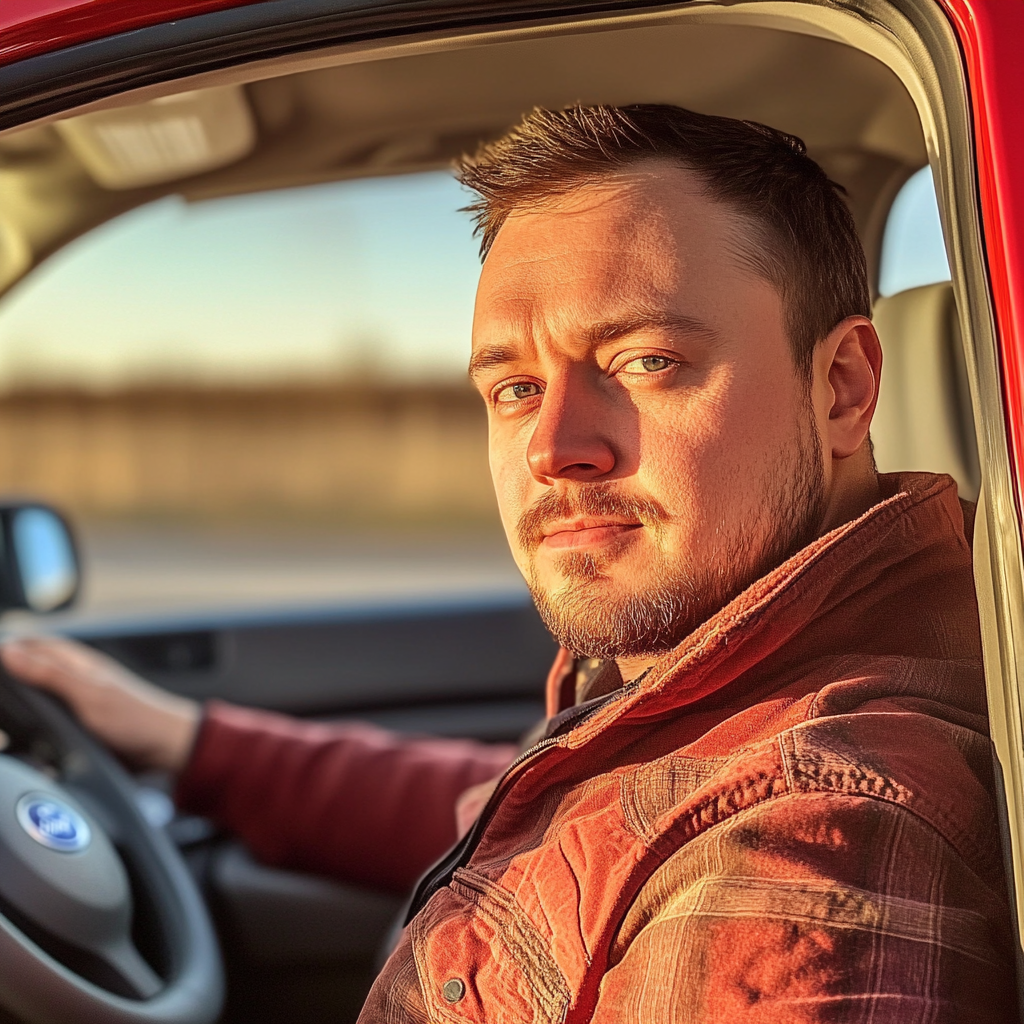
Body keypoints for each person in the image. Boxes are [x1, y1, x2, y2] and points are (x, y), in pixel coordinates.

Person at [2, 104, 1016, 1021]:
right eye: (516, 388)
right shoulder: (727, 698)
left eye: (643, 361)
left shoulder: (803, 844)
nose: (553, 447)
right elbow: (544, 817)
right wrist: (187, 741)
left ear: (841, 387)